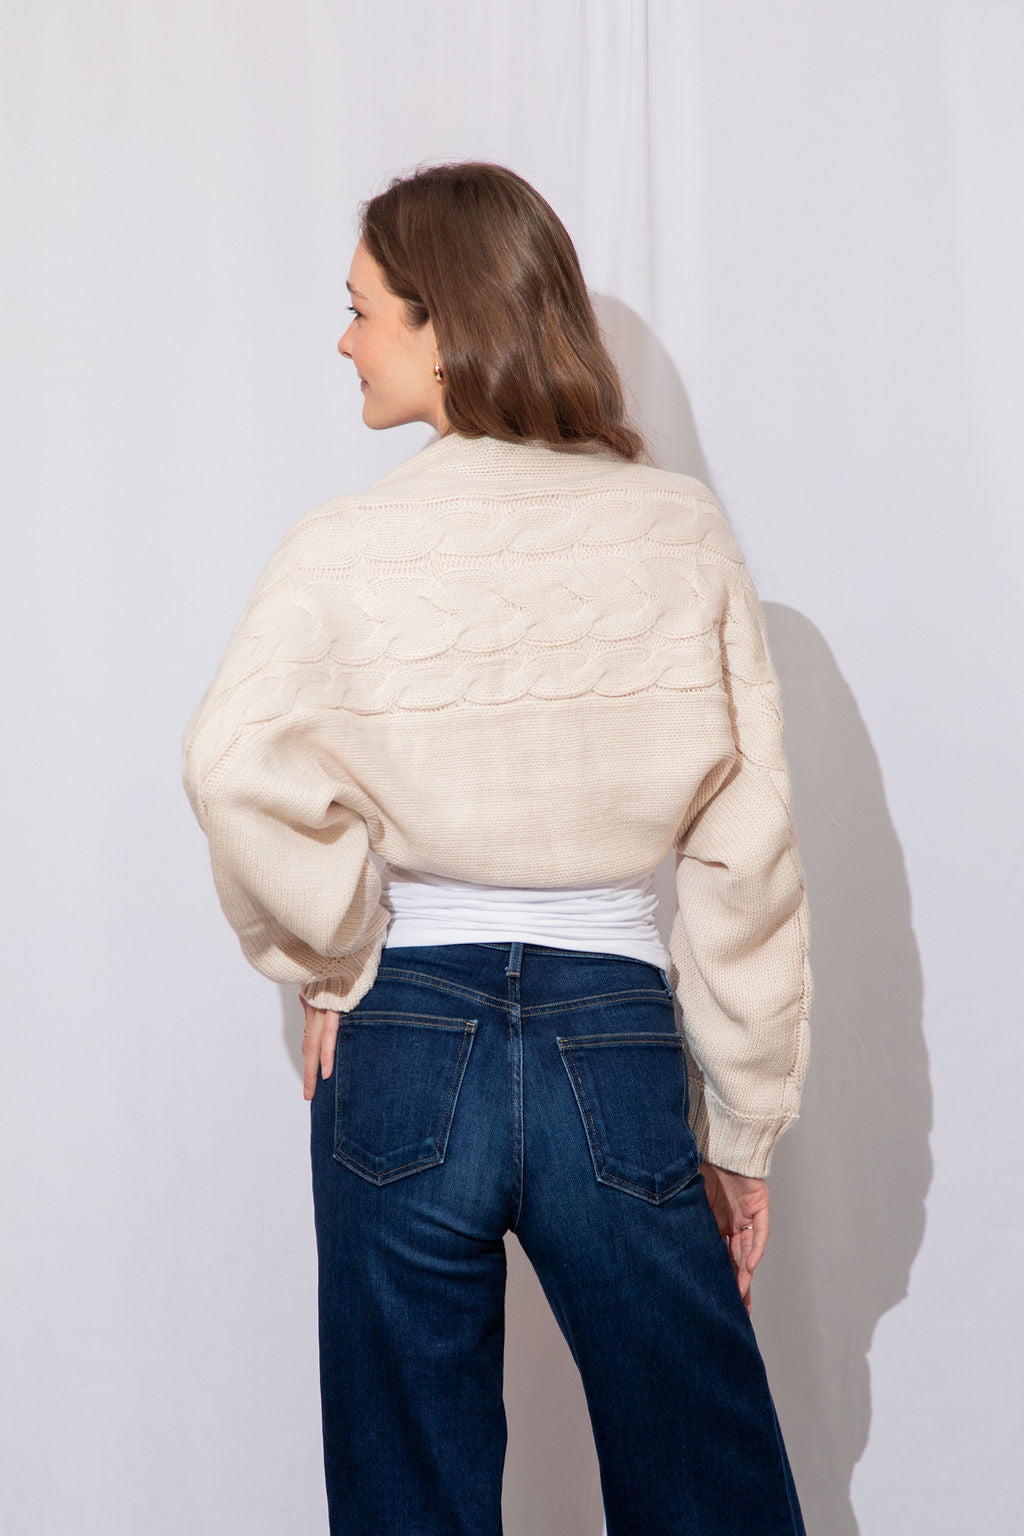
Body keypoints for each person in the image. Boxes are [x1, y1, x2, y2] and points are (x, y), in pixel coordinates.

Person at [181, 160, 812, 1536]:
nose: (343, 340)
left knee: (409, 1496)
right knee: (705, 1483)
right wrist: (744, 1121)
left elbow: (230, 765)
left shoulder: (345, 548)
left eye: (363, 309)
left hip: (404, 1038)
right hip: (613, 1044)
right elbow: (745, 844)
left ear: (444, 321)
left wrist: (333, 949)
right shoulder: (678, 530)